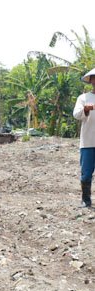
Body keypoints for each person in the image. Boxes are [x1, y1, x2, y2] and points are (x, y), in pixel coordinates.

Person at [72, 68, 95, 208]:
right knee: (86, 172)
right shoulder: (83, 98)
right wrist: (85, 109)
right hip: (88, 141)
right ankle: (85, 199)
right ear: (91, 80)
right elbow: (76, 114)